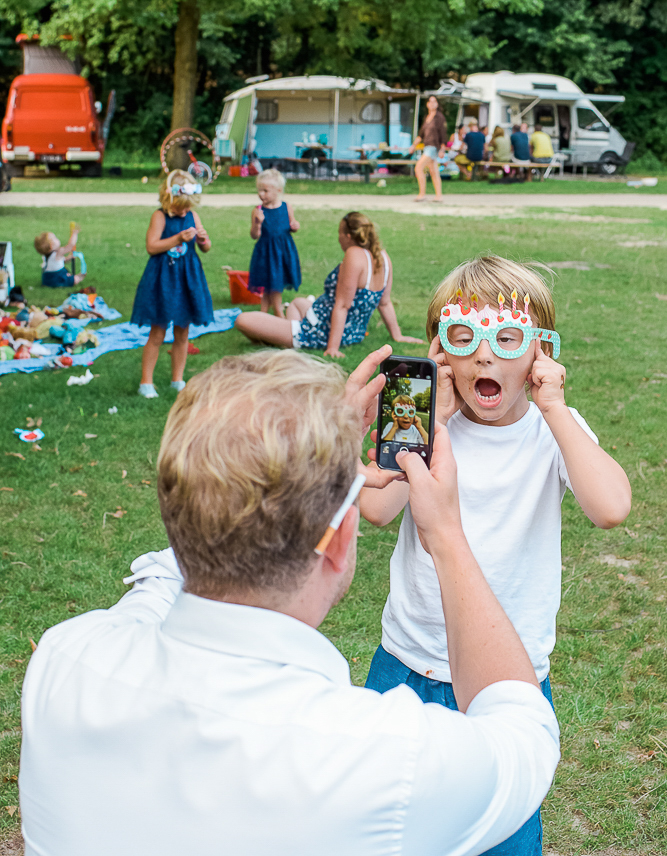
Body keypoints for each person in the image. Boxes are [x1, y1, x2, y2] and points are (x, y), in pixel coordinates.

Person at [19, 345, 560, 856]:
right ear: (340, 540)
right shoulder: (384, 758)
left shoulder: (65, 658)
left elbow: (163, 575)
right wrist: (445, 535)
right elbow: (522, 730)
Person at [360, 255, 632, 856]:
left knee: (503, 832)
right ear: (441, 353)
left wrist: (556, 408)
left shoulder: (549, 431)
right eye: (465, 337)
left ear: (539, 353)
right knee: (393, 825)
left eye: (508, 339)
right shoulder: (428, 429)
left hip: (511, 678)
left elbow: (611, 506)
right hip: (408, 662)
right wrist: (428, 422)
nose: (485, 356)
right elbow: (376, 511)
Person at [235, 211, 423, 358]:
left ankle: (291, 338)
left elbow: (342, 306)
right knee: (297, 303)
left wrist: (332, 347)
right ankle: (286, 335)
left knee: (242, 320)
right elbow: (384, 302)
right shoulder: (382, 255)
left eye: (340, 234)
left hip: (319, 332)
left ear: (348, 236)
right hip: (347, 330)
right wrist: (397, 336)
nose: (339, 238)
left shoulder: (354, 255)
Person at [130, 169, 212, 399]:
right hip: (163, 279)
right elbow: (152, 246)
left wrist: (204, 240)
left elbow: (205, 248)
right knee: (157, 331)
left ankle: (178, 379)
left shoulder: (192, 216)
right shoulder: (159, 216)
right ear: (168, 199)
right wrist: (177, 238)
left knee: (183, 332)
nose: (183, 212)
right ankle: (146, 382)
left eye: (187, 207)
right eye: (179, 208)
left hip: (187, 279)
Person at [248, 168, 301, 317]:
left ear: (278, 190)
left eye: (265, 190)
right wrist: (258, 224)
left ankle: (265, 314)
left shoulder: (286, 206)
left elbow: (291, 225)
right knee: (269, 283)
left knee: (275, 283)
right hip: (265, 253)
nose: (261, 194)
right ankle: (278, 313)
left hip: (283, 252)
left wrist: (295, 226)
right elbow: (254, 235)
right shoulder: (258, 211)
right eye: (259, 190)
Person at [408, 95, 447, 201]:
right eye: (430, 101)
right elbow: (421, 135)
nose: (432, 103)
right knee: (434, 172)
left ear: (437, 104)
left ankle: (422, 194)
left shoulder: (439, 117)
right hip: (427, 146)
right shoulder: (427, 118)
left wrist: (443, 149)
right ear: (427, 104)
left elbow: (443, 134)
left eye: (434, 101)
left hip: (433, 147)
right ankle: (438, 196)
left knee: (419, 167)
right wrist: (413, 145)